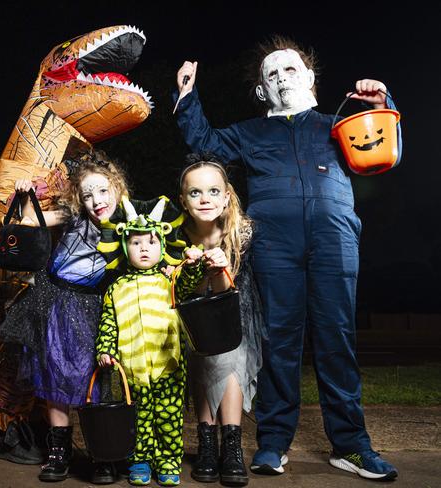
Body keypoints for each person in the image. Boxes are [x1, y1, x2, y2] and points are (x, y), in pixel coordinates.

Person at [173, 36, 401, 481]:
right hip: (275, 246)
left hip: (334, 240)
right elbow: (204, 143)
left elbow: (383, 153)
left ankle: (351, 446)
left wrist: (382, 101)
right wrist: (186, 96)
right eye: (271, 74)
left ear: (311, 78)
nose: (282, 77)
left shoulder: (338, 125)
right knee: (280, 341)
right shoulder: (249, 132)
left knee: (337, 340)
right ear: (262, 91)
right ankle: (273, 443)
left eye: (291, 68)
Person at [0, 150, 128, 483]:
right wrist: (27, 196)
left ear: (117, 188)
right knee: (55, 377)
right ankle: (59, 452)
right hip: (56, 302)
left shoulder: (131, 222)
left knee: (93, 381)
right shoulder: (74, 217)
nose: (96, 200)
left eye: (102, 191)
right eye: (88, 195)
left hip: (97, 307)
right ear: (79, 199)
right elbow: (29, 223)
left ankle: (102, 453)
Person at [95, 196, 219, 487]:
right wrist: (105, 348)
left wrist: (192, 266)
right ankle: (140, 461)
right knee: (138, 419)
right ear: (126, 248)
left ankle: (167, 461)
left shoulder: (169, 280)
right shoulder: (117, 287)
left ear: (161, 246)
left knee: (169, 418)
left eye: (150, 243)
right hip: (132, 369)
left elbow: (189, 283)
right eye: (136, 244)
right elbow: (109, 321)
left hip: (169, 366)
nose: (144, 249)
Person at [177, 155, 264, 487]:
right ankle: (207, 444)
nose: (205, 199)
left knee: (229, 358)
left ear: (227, 195)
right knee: (201, 359)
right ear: (183, 200)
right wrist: (193, 269)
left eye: (214, 191)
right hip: (194, 314)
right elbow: (187, 293)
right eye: (195, 193)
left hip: (235, 311)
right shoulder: (177, 235)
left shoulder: (242, 231)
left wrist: (220, 270)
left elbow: (230, 293)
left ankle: (232, 447)